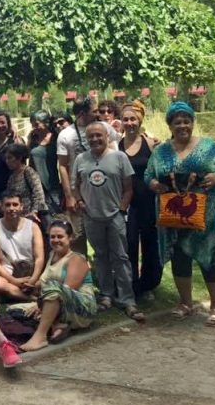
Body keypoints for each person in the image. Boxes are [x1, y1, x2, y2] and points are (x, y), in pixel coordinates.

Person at [146, 101, 215, 326]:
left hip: (209, 215)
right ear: (170, 126)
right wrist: (154, 184)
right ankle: (185, 303)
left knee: (211, 258)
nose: (182, 126)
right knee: (180, 258)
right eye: (177, 122)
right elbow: (148, 175)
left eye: (187, 121)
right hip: (176, 216)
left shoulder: (209, 146)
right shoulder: (161, 151)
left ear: (192, 123)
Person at [72, 121, 144, 321]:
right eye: (91, 136)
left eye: (98, 135)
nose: (95, 139)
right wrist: (79, 200)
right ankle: (106, 295)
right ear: (87, 140)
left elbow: (129, 187)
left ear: (107, 137)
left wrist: (122, 208)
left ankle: (128, 299)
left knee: (120, 257)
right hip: (92, 217)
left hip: (115, 216)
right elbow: (75, 185)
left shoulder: (119, 157)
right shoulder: (80, 159)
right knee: (101, 256)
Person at [19, 220, 97, 351]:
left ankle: (41, 336)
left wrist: (41, 305)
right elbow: (44, 282)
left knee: (53, 288)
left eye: (60, 236)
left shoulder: (76, 258)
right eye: (52, 237)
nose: (56, 240)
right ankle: (58, 326)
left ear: (70, 238)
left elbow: (66, 289)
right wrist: (28, 286)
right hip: (55, 300)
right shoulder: (51, 255)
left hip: (82, 306)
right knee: (18, 310)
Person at [57, 97, 118, 253]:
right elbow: (63, 166)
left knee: (108, 237)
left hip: (103, 192)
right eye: (95, 111)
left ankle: (107, 272)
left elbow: (115, 154)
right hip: (79, 194)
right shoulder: (66, 135)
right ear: (83, 113)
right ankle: (83, 273)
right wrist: (69, 196)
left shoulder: (104, 128)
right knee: (78, 236)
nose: (99, 114)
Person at [119, 100, 162, 300]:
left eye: (133, 119)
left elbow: (161, 169)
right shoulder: (116, 145)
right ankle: (133, 284)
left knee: (150, 242)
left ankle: (148, 284)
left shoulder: (151, 143)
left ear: (140, 120)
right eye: (126, 119)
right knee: (129, 243)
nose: (129, 123)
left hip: (149, 201)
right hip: (128, 203)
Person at [0, 191, 45, 302]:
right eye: (8, 205)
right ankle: (32, 299)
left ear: (21, 206)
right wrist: (14, 280)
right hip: (8, 275)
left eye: (15, 204)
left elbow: (39, 257)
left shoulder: (33, 227)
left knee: (43, 283)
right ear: (1, 207)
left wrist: (32, 280)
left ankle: (15, 294)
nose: (11, 208)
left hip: (30, 274)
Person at [0, 144, 46, 221]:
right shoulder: (12, 176)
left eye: (10, 158)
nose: (7, 161)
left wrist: (34, 212)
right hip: (16, 219)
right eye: (6, 158)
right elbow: (9, 197)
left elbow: (38, 194)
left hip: (29, 218)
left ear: (19, 158)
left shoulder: (28, 172)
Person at [27, 109, 60, 208]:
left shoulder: (56, 137)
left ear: (46, 123)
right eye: (32, 124)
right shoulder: (33, 138)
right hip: (35, 185)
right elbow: (27, 156)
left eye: (37, 124)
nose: (34, 127)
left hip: (51, 184)